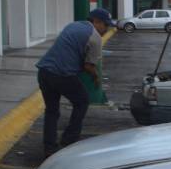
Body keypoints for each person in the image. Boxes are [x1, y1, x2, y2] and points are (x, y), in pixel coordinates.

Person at [35, 8, 113, 156]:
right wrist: (96, 76)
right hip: (62, 75)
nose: (106, 29)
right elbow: (88, 66)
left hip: (44, 71)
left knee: (51, 111)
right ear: (96, 22)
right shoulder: (95, 38)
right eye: (105, 25)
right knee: (82, 101)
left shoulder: (73, 25)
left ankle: (49, 148)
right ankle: (69, 140)